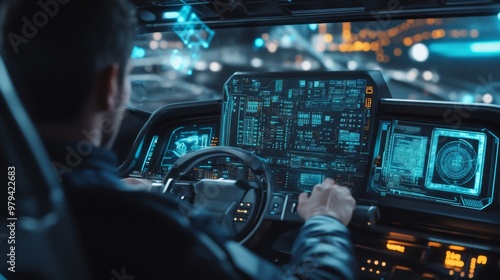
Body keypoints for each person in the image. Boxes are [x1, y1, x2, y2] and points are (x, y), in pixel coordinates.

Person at [1, 0, 357, 279]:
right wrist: (325, 223)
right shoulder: (143, 226)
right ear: (110, 86)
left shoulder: (25, 194)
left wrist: (115, 193)